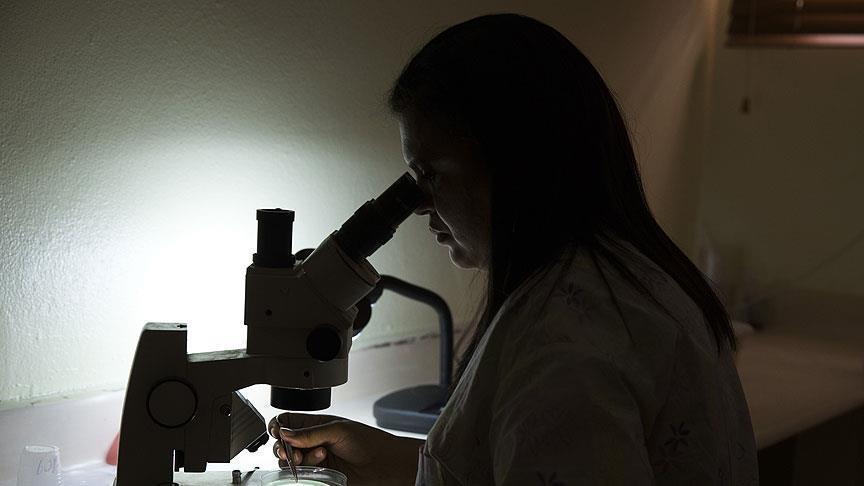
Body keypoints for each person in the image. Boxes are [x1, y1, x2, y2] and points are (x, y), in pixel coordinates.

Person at [269, 13, 758, 485]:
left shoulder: (562, 344)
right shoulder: (630, 279)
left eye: (430, 174)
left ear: (514, 164)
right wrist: (401, 465)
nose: (418, 205)